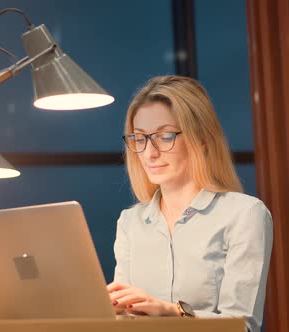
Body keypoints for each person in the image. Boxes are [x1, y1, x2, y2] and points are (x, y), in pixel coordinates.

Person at [107, 75, 273, 332]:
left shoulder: (244, 214)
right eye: (140, 138)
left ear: (201, 139)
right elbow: (124, 322)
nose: (150, 153)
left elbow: (243, 326)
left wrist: (170, 311)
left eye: (164, 136)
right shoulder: (130, 222)